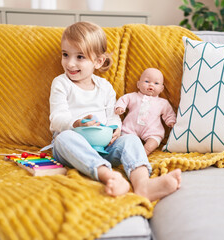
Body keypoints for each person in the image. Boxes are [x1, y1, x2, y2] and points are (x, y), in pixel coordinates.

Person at [48, 22, 181, 202]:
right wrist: (77, 123)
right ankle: (109, 176)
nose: (70, 63)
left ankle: (143, 184)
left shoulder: (105, 87)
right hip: (74, 146)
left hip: (105, 145)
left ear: (98, 61)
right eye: (65, 55)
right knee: (63, 139)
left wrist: (116, 129)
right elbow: (57, 118)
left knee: (131, 139)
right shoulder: (61, 83)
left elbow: (113, 116)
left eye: (80, 57)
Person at [115, 68, 176, 155]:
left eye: (156, 83)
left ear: (162, 88)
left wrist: (171, 121)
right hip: (130, 128)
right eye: (147, 81)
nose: (151, 85)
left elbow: (169, 113)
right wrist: (120, 107)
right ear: (138, 84)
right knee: (125, 140)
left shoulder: (163, 103)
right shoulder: (133, 96)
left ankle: (144, 153)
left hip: (152, 130)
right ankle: (129, 152)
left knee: (153, 141)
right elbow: (123, 100)